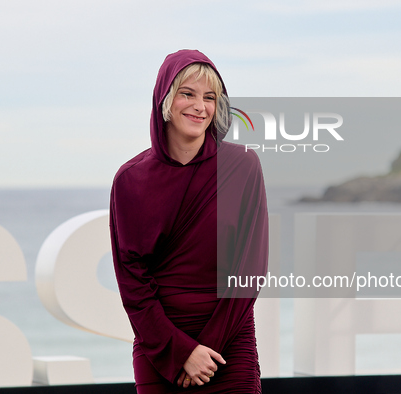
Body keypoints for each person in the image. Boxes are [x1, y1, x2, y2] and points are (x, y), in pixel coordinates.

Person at [109, 49, 268, 393]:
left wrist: (202, 352)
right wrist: (180, 351)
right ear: (165, 99)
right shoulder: (130, 180)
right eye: (187, 93)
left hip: (227, 343)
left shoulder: (242, 167)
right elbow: (132, 280)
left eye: (210, 97)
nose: (200, 106)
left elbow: (249, 268)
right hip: (160, 346)